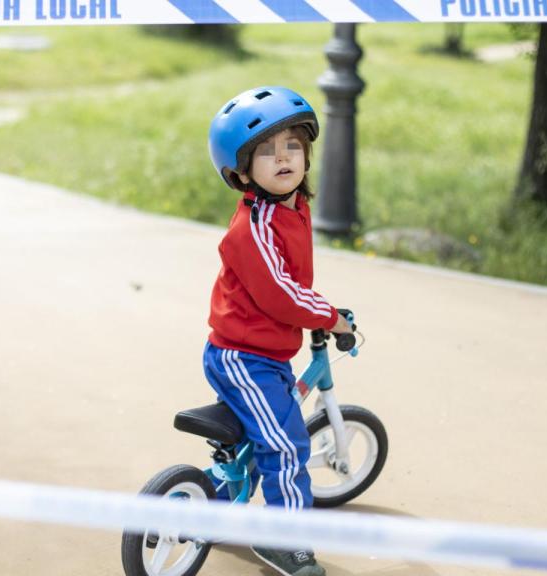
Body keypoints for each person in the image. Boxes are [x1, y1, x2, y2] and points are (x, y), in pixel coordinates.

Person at [203, 86, 353, 576]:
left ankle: (217, 499)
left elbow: (292, 283)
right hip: (242, 356)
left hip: (263, 349)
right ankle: (283, 540)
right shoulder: (253, 229)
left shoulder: (292, 207)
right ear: (242, 173)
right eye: (265, 152)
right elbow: (282, 294)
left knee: (261, 434)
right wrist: (330, 316)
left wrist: (318, 310)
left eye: (292, 146)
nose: (283, 157)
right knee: (286, 444)